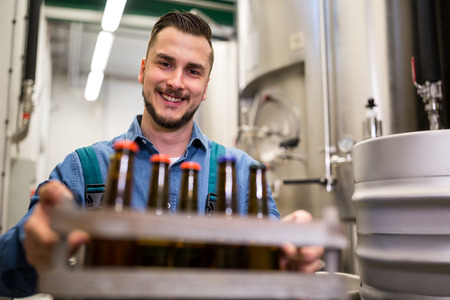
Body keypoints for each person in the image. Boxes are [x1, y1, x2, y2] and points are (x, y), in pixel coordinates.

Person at [0, 11, 324, 298]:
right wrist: (31, 252)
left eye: (193, 71)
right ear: (143, 70)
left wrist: (293, 250)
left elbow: (276, 260)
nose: (176, 82)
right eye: (165, 63)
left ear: (206, 87)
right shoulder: (83, 169)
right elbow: (5, 275)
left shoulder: (241, 174)